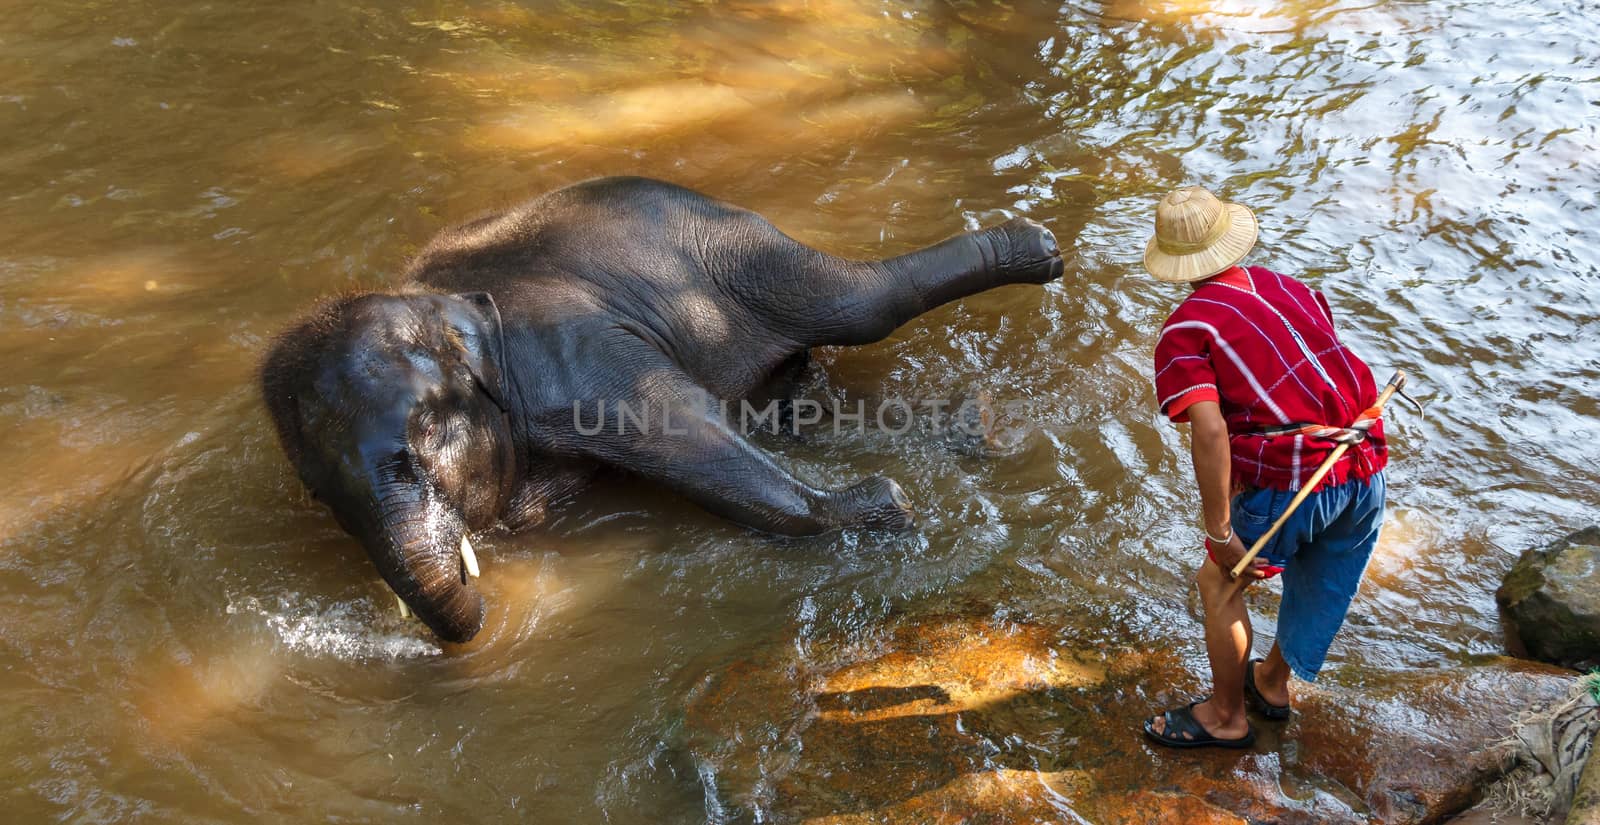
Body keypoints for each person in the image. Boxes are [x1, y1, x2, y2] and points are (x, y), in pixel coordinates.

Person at [1139, 186, 1388, 749]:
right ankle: (1272, 684)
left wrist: (1219, 529)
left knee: (1219, 581)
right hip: (1365, 461)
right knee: (1325, 576)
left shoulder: (1186, 331)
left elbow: (1210, 430)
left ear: (1174, 263)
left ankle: (1226, 717)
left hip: (1293, 478)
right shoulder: (1290, 287)